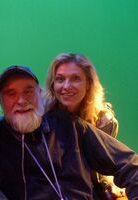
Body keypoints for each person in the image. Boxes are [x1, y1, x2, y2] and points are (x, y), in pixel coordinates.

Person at [0, 65, 138, 199]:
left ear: (39, 94)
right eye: (11, 94)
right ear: (0, 100)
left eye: (28, 91)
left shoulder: (69, 125)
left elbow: (130, 164)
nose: (21, 100)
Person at [44, 53, 125, 199]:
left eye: (75, 79)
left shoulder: (104, 122)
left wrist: (110, 184)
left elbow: (102, 170)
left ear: (88, 84)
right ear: (52, 84)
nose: (66, 86)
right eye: (60, 79)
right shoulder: (42, 117)